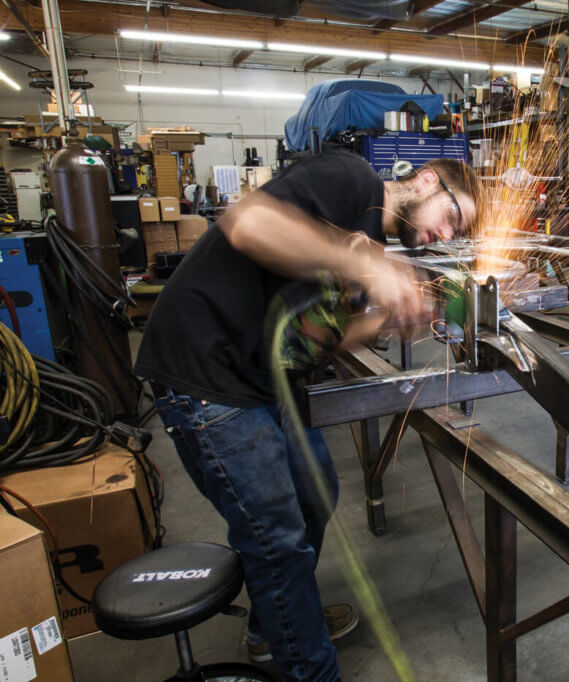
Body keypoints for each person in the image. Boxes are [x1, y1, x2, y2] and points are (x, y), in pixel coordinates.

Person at [135, 149, 484, 682]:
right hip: (208, 372)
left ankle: (273, 626)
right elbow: (247, 223)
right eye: (452, 216)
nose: (444, 235)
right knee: (277, 540)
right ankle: (308, 668)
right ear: (427, 181)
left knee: (315, 493)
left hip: (265, 376)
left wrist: (391, 318)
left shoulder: (371, 243)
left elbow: (318, 338)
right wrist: (364, 264)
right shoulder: (353, 181)